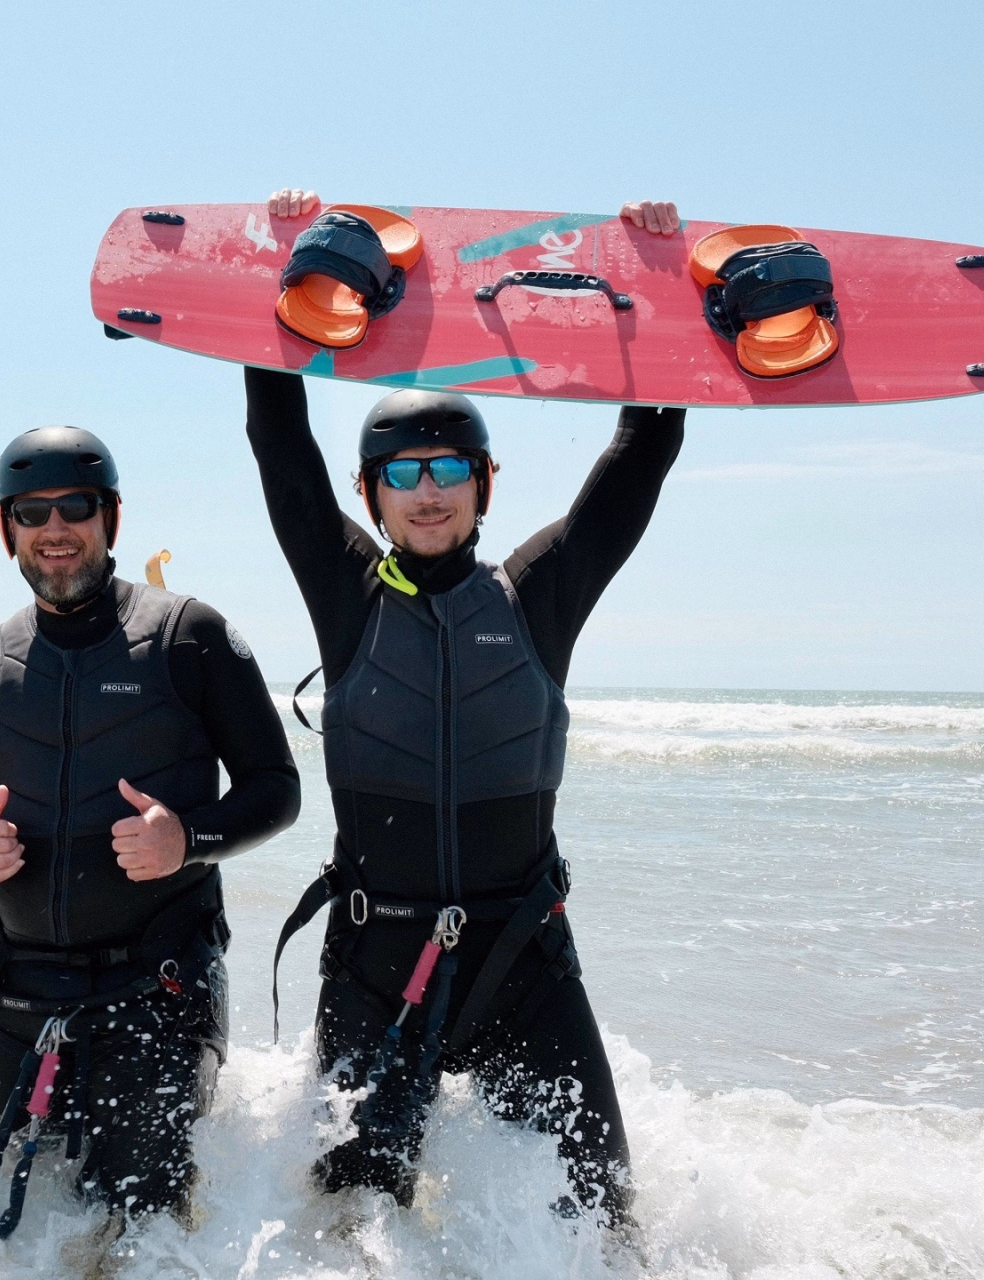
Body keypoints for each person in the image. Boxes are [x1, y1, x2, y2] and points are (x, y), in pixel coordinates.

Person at [255, 189, 686, 1224]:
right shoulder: (348, 594)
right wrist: (280, 271)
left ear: (485, 483)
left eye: (450, 466)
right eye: (402, 471)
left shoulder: (538, 594)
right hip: (374, 963)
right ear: (372, 494)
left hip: (520, 960)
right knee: (350, 1235)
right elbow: (279, 440)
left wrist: (661, 282)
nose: (428, 488)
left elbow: (644, 452)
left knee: (602, 1223)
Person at [0, 425, 300, 1229]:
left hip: (155, 998)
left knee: (140, 1233)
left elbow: (276, 789)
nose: (55, 528)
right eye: (33, 511)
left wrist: (187, 839)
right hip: (16, 1000)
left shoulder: (190, 638)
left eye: (76, 507)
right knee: (10, 1236)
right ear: (6, 529)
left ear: (110, 517)